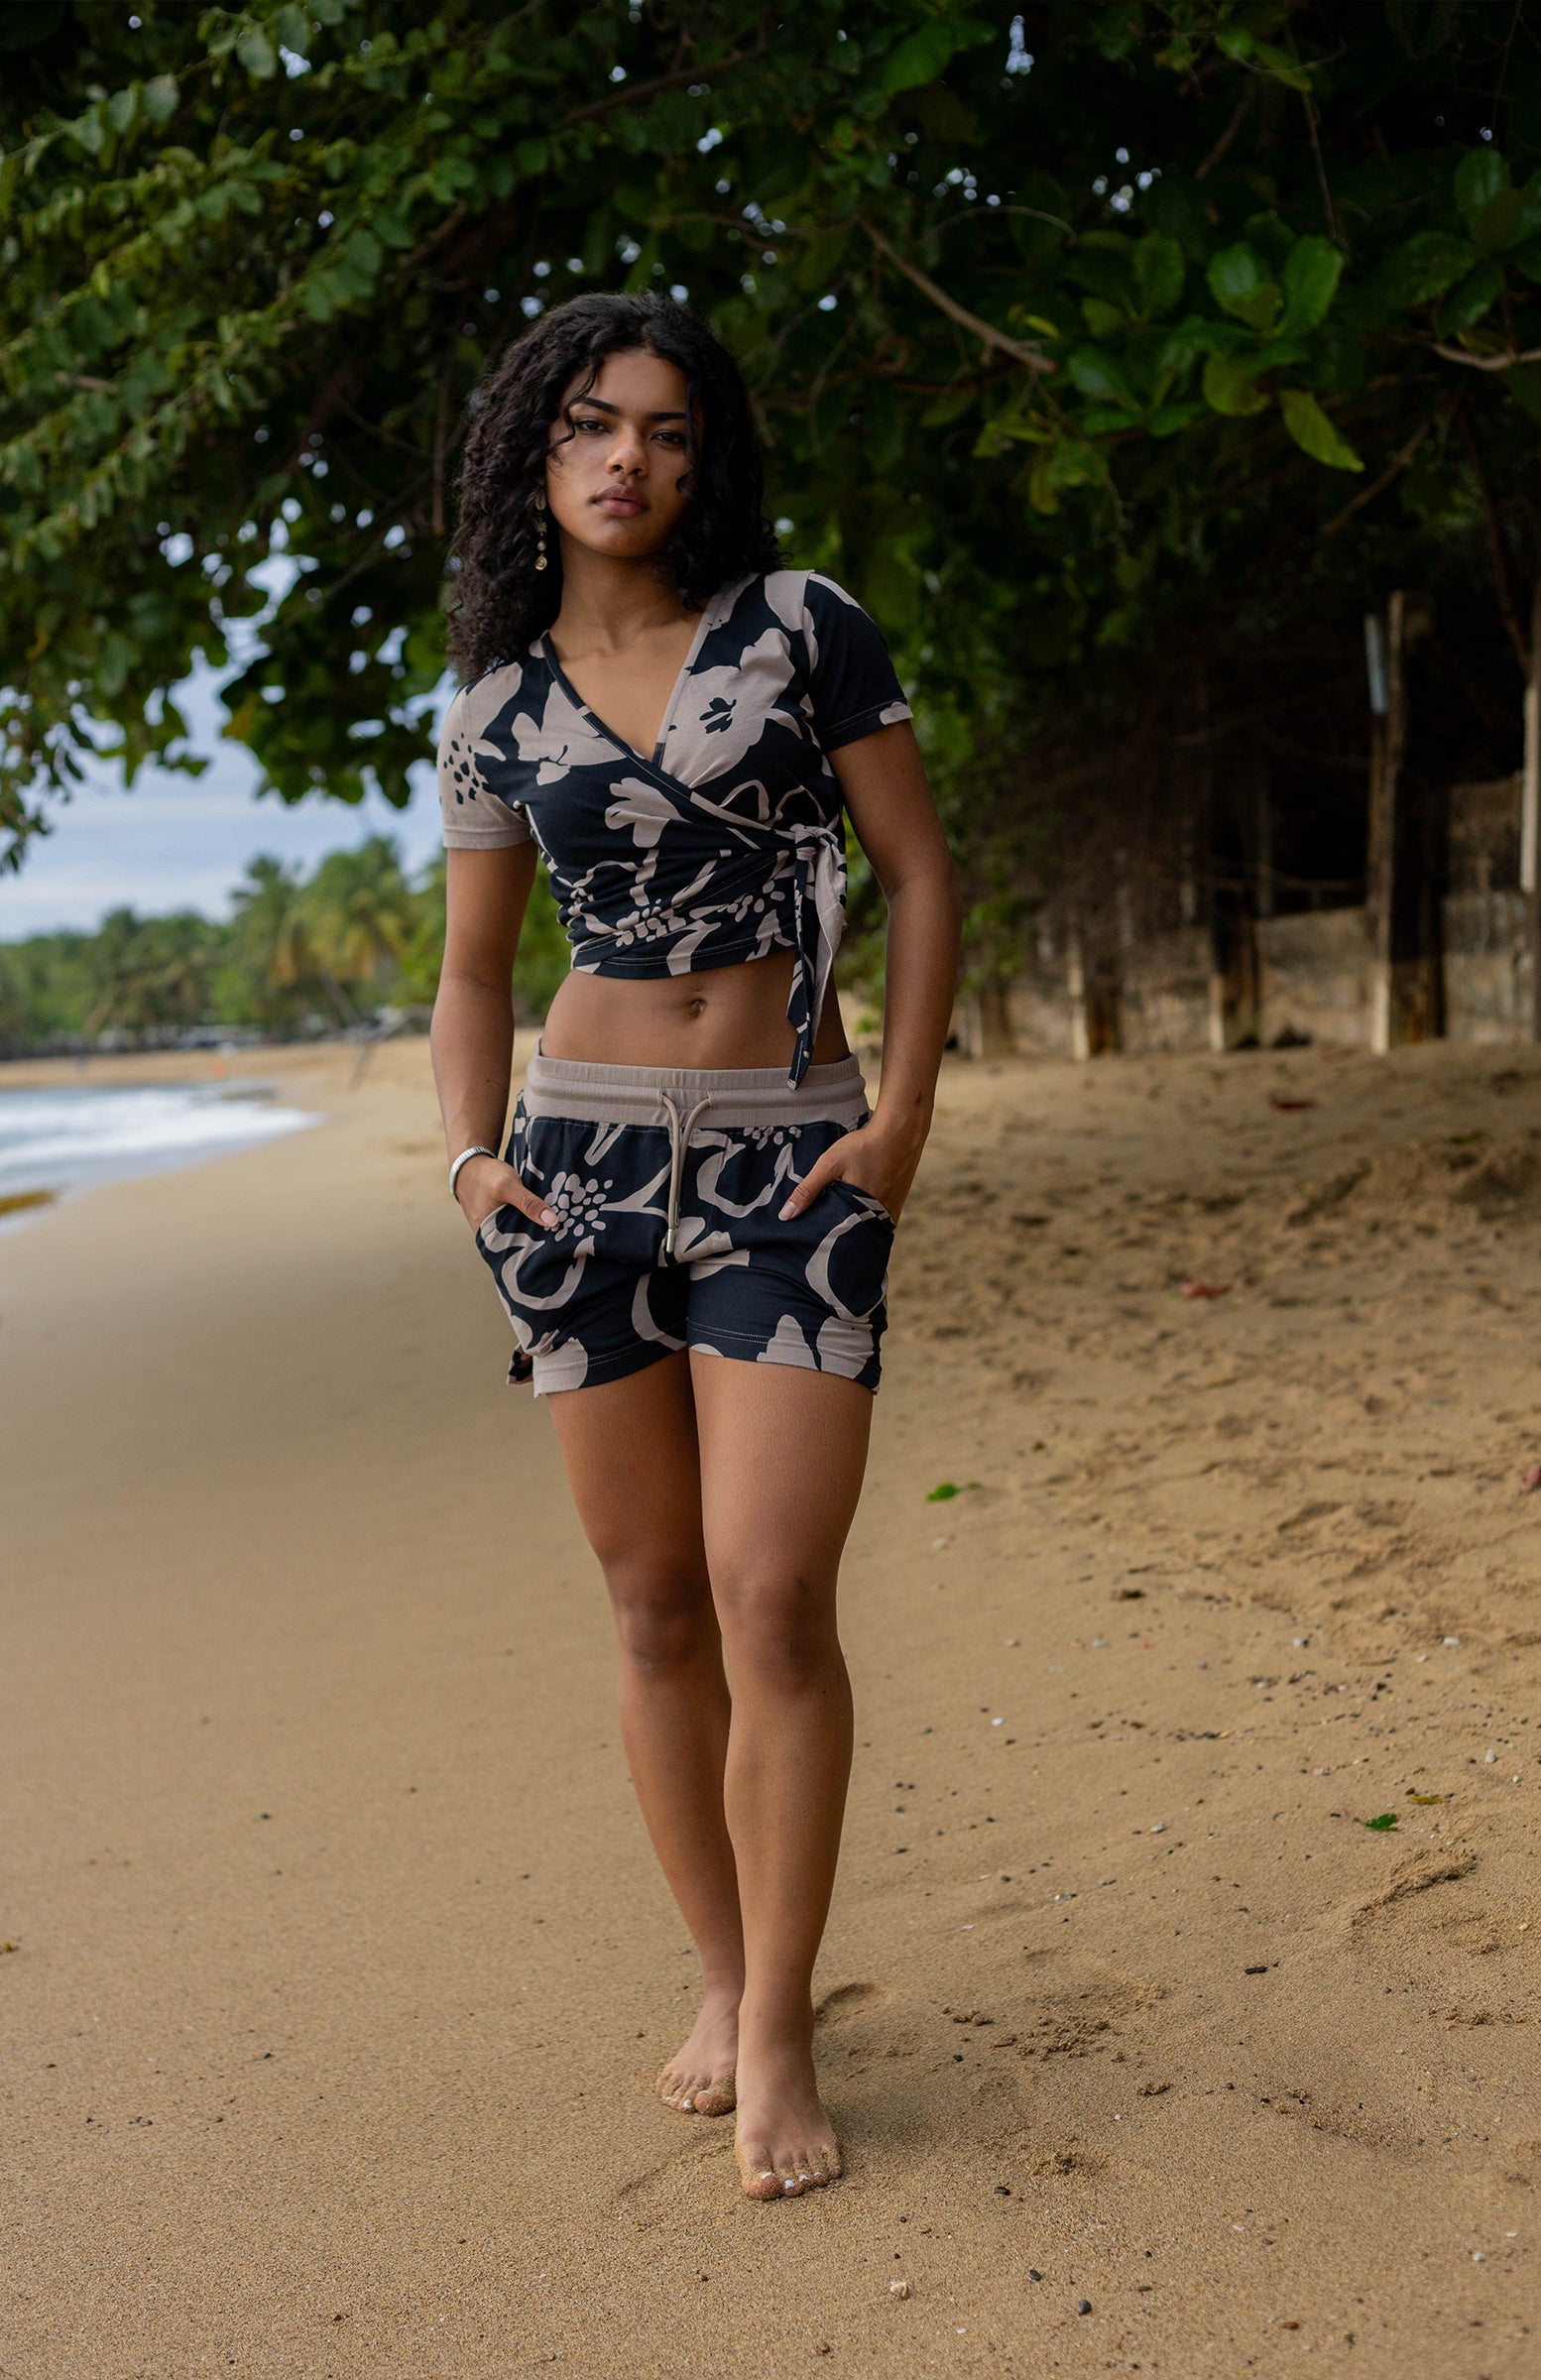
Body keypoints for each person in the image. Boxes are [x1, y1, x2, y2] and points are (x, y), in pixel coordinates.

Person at [429, 292, 960, 2202]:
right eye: (588, 423)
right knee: (655, 1606)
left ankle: (792, 2030)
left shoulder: (803, 628)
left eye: (660, 427)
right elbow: (475, 970)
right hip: (571, 1177)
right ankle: (725, 1981)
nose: (624, 457)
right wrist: (471, 1165)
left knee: (770, 1596)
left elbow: (916, 872)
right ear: (538, 457)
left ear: (700, 454)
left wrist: (897, 1117)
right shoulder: (492, 705)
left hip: (785, 1164)